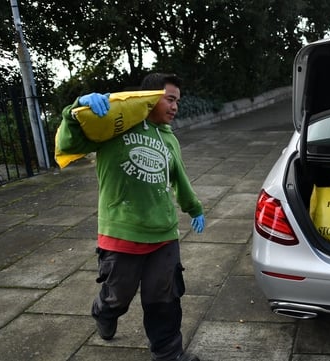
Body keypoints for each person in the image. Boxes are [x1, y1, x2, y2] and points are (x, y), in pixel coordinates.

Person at [56, 73, 204, 361]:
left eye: (177, 101)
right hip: (121, 233)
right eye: (170, 99)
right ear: (148, 97)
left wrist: (194, 207)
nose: (175, 107)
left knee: (165, 299)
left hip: (164, 233)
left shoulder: (169, 138)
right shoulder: (114, 124)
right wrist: (74, 111)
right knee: (118, 296)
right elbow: (70, 143)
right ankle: (104, 311)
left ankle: (169, 354)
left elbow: (179, 179)